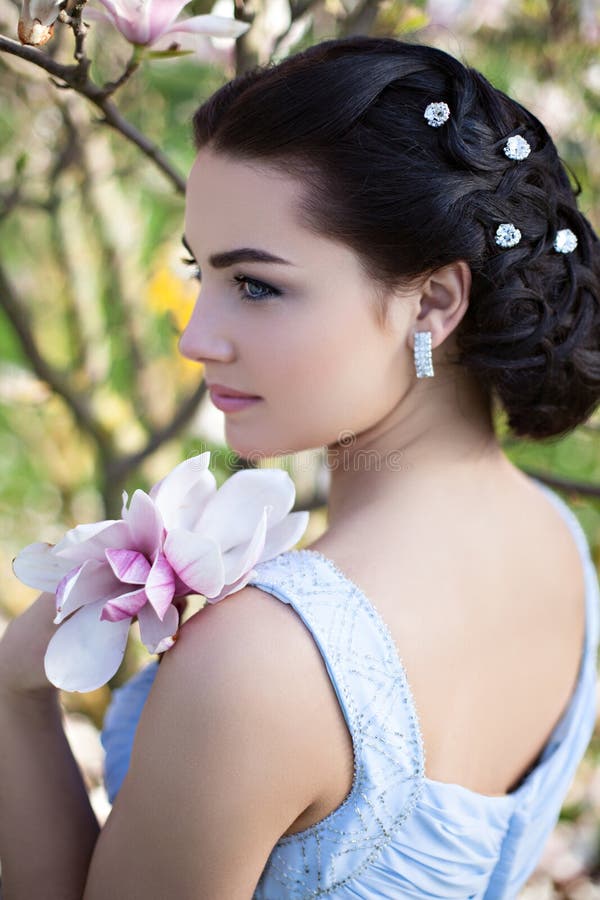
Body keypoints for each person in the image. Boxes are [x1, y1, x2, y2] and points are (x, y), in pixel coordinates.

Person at [1, 34, 600, 900]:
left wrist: (17, 703)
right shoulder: (556, 544)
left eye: (256, 285)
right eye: (198, 272)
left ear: (432, 302)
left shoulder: (262, 662)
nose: (195, 337)